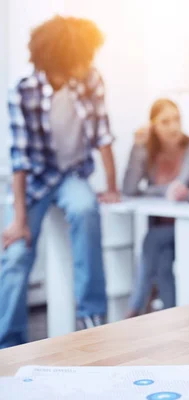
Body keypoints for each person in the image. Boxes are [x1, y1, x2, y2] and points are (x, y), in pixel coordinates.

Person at [0, 16, 120, 348]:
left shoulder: (90, 81)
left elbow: (103, 135)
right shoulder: (22, 91)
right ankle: (7, 344)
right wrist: (19, 220)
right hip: (36, 180)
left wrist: (111, 186)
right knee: (15, 253)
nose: (88, 63)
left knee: (86, 210)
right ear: (61, 60)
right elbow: (20, 159)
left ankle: (92, 319)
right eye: (82, 57)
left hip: (72, 175)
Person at [122, 98, 189, 317]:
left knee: (152, 240)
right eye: (165, 121)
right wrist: (138, 147)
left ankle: (134, 309)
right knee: (162, 259)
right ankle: (172, 319)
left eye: (177, 119)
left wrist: (152, 190)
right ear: (153, 126)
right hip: (166, 232)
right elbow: (130, 188)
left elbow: (177, 188)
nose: (174, 126)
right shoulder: (148, 151)